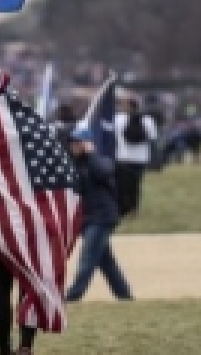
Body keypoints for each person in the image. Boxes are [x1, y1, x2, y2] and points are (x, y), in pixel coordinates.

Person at [0, 66, 81, 355]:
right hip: (35, 220)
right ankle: (26, 346)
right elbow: (57, 167)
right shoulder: (32, 123)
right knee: (30, 280)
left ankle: (3, 350)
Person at [64, 128, 132, 303]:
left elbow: (104, 172)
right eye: (73, 142)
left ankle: (73, 295)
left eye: (79, 142)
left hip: (102, 216)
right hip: (86, 218)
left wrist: (91, 154)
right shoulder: (73, 164)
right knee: (105, 261)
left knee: (88, 257)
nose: (75, 146)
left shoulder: (101, 161)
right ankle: (124, 295)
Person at [112, 98, 156, 218]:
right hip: (140, 158)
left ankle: (122, 209)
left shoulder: (117, 119)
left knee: (121, 185)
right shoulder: (147, 120)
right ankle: (134, 209)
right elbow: (152, 137)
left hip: (122, 156)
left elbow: (112, 136)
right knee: (135, 184)